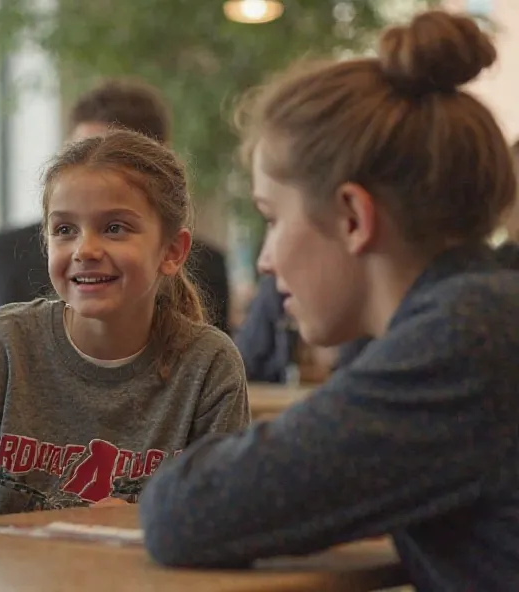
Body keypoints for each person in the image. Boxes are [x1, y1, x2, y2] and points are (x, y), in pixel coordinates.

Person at [139, 11, 519, 590]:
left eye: (272, 218)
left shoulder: (465, 336)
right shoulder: (480, 312)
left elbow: (185, 511)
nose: (266, 261)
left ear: (352, 217)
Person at [0, 130, 249, 521]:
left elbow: (225, 520)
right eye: (64, 230)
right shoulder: (3, 347)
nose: (85, 250)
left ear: (172, 251)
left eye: (115, 228)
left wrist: (140, 525)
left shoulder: (208, 365)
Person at [0, 80, 231, 362]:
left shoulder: (206, 356)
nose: (85, 250)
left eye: (114, 228)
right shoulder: (2, 328)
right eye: (80, 153)